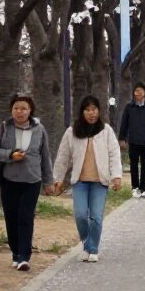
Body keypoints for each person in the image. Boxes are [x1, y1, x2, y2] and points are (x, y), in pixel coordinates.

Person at [0, 94, 54, 271]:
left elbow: (45, 156)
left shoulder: (39, 129)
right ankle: (16, 252)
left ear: (30, 110)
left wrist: (49, 181)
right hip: (10, 180)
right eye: (16, 108)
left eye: (23, 108)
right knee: (11, 218)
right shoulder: (4, 128)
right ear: (11, 110)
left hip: (32, 180)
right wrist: (9, 155)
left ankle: (25, 256)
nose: (20, 112)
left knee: (26, 217)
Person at [52, 97, 122, 262]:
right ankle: (86, 242)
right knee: (81, 215)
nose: (91, 113)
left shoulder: (106, 131)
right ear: (82, 112)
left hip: (100, 181)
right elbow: (63, 156)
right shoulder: (72, 131)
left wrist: (116, 176)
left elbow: (114, 154)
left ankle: (93, 249)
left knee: (96, 216)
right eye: (88, 110)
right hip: (80, 181)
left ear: (99, 111)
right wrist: (58, 179)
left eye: (94, 109)